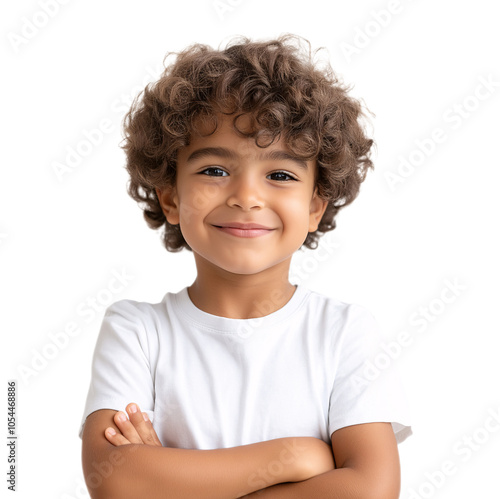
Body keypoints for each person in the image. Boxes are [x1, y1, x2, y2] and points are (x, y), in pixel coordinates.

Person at [79, 33, 412, 498]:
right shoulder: (137, 330)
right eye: (214, 170)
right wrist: (298, 457)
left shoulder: (344, 332)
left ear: (315, 206)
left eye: (280, 175)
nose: (247, 197)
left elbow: (369, 491)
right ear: (170, 196)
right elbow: (115, 480)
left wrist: (170, 482)